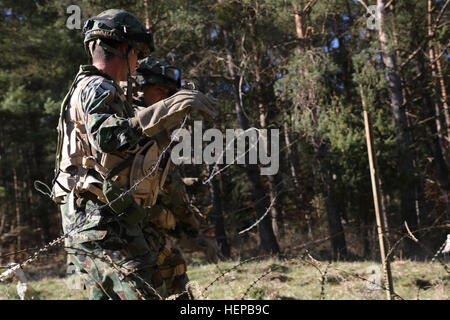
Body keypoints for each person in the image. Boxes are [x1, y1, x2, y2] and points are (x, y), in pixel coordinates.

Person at [53, 9, 218, 300]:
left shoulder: (103, 89)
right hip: (96, 221)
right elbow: (107, 136)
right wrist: (169, 109)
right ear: (124, 48)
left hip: (112, 220)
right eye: (137, 54)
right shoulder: (96, 86)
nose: (138, 64)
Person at [130, 56, 222, 296]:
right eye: (161, 91)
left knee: (177, 277)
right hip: (124, 236)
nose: (167, 99)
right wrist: (194, 235)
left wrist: (185, 183)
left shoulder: (150, 127)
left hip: (145, 231)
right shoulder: (130, 122)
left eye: (170, 94)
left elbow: (161, 180)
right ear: (140, 89)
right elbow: (170, 190)